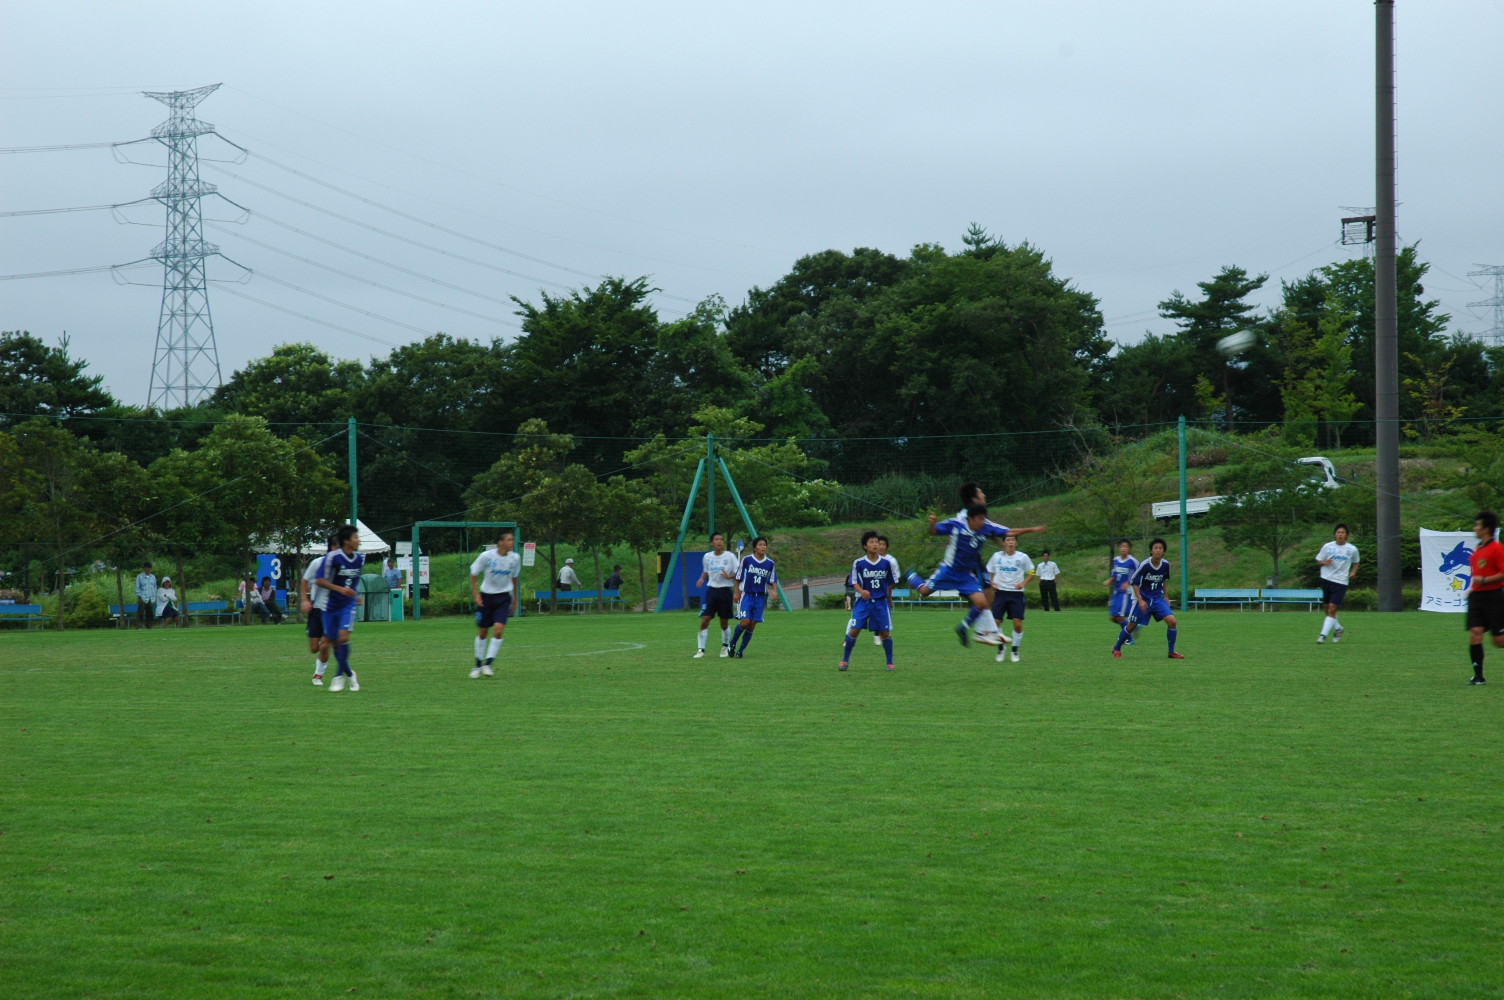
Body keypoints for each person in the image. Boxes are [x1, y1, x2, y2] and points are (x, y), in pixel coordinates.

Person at [905, 505, 1009, 647]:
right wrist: (932, 524)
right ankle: (910, 574)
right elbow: (934, 531)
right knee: (924, 592)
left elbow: (991, 532)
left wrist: (1001, 543)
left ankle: (964, 628)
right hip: (948, 571)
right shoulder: (962, 518)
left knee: (982, 602)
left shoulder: (981, 517)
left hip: (965, 574)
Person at [1112, 538, 1183, 659]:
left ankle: (1171, 652)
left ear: (1164, 552)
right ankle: (1117, 648)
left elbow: (1163, 580)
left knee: (1172, 622)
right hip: (1144, 599)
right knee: (1131, 626)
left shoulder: (1165, 565)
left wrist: (1166, 596)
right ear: (1151, 550)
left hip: (1158, 599)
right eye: (1155, 548)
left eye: (1160, 548)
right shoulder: (1145, 565)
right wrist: (1140, 600)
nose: (1158, 550)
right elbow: (1134, 582)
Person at [315, 525, 366, 692]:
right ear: (346, 541)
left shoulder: (359, 559)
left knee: (343, 637)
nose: (358, 541)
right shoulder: (333, 557)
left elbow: (354, 581)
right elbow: (320, 580)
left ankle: (338, 676)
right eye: (355, 538)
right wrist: (339, 589)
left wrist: (354, 594)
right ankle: (350, 673)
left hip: (347, 604)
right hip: (330, 605)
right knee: (334, 643)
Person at [841, 531, 899, 671]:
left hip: (880, 602)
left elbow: (890, 583)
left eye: (877, 542)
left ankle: (890, 663)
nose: (875, 545)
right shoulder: (859, 563)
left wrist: (889, 599)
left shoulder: (886, 564)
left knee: (884, 633)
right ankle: (844, 661)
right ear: (865, 546)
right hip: (863, 602)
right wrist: (862, 592)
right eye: (872, 542)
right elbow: (853, 581)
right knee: (854, 630)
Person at [470, 529, 521, 678]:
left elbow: (514, 578)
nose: (512, 543)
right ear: (501, 542)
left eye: (512, 540)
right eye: (509, 540)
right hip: (486, 598)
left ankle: (488, 664)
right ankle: (477, 665)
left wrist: (515, 598)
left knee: (498, 630)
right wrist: (476, 595)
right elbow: (474, 573)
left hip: (504, 598)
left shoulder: (515, 558)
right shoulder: (486, 556)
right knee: (483, 631)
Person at [1466, 510, 1504, 686]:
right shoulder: (1478, 550)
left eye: (1477, 525)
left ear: (1486, 529)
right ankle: (1478, 676)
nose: (1475, 528)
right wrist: (1473, 588)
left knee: (1499, 642)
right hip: (1477, 598)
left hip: (1494, 597)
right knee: (1475, 633)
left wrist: (1485, 580)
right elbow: (1477, 574)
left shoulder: (1497, 548)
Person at [987, 535, 1034, 663]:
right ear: (1004, 543)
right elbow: (989, 571)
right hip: (1000, 593)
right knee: (996, 622)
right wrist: (992, 582)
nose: (1010, 542)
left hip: (1016, 594)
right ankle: (1001, 649)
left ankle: (1015, 650)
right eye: (1008, 540)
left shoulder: (1022, 557)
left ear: (1016, 543)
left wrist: (1023, 583)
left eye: (1013, 540)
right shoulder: (997, 556)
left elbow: (1032, 572)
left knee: (1017, 624)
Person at [729, 536, 777, 657]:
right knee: (745, 622)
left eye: (765, 545)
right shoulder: (747, 560)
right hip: (747, 595)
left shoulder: (770, 563)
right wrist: (736, 592)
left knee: (752, 624)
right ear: (755, 547)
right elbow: (738, 576)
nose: (763, 547)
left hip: (760, 597)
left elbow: (773, 579)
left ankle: (740, 651)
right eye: (760, 545)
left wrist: (774, 590)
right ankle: (732, 643)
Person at [693, 532, 739, 659]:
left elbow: (739, 573)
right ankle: (701, 650)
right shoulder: (707, 557)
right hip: (712, 591)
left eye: (721, 539)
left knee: (723, 622)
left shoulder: (730, 556)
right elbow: (706, 570)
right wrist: (702, 579)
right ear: (711, 543)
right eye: (716, 539)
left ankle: (725, 646)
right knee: (705, 619)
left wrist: (728, 576)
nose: (719, 542)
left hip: (725, 591)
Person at [300, 537, 338, 686]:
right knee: (314, 648)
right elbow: (304, 581)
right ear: (331, 547)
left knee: (324, 645)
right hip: (316, 610)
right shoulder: (317, 563)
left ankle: (318, 675)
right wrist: (305, 600)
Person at [1314, 524, 1359, 644]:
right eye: (1338, 532)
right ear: (1335, 534)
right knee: (1327, 609)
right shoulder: (1327, 547)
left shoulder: (1352, 549)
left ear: (1347, 535)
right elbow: (1318, 561)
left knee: (1333, 608)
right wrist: (1325, 562)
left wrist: (1353, 572)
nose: (1340, 534)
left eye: (1343, 532)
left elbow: (1356, 562)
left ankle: (1322, 636)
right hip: (1327, 579)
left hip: (1341, 581)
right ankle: (1338, 629)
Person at [1104, 539, 1140, 645]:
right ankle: (1134, 626)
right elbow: (1114, 574)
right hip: (1117, 592)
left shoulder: (1133, 561)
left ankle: (1129, 638)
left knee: (1119, 616)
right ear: (1119, 548)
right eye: (1122, 547)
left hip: (1126, 593)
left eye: (1126, 547)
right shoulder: (1116, 560)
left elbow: (1138, 575)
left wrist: (1128, 583)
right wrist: (1109, 581)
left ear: (1129, 549)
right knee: (1113, 617)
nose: (1123, 549)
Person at [874, 535, 899, 647]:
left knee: (884, 615)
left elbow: (892, 580)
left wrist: (890, 597)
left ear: (886, 547)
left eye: (883, 544)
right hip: (870, 593)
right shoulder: (871, 559)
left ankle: (881, 635)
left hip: (883, 594)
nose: (881, 546)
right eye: (879, 544)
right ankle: (848, 638)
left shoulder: (891, 561)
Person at [134, 562, 157, 629]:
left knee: (150, 613)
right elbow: (137, 587)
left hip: (151, 597)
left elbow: (155, 587)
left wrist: (154, 596)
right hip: (142, 597)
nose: (147, 569)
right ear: (144, 568)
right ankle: (139, 625)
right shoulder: (139, 576)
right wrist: (140, 596)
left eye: (149, 568)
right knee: (140, 612)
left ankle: (149, 625)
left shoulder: (153, 577)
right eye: (146, 567)